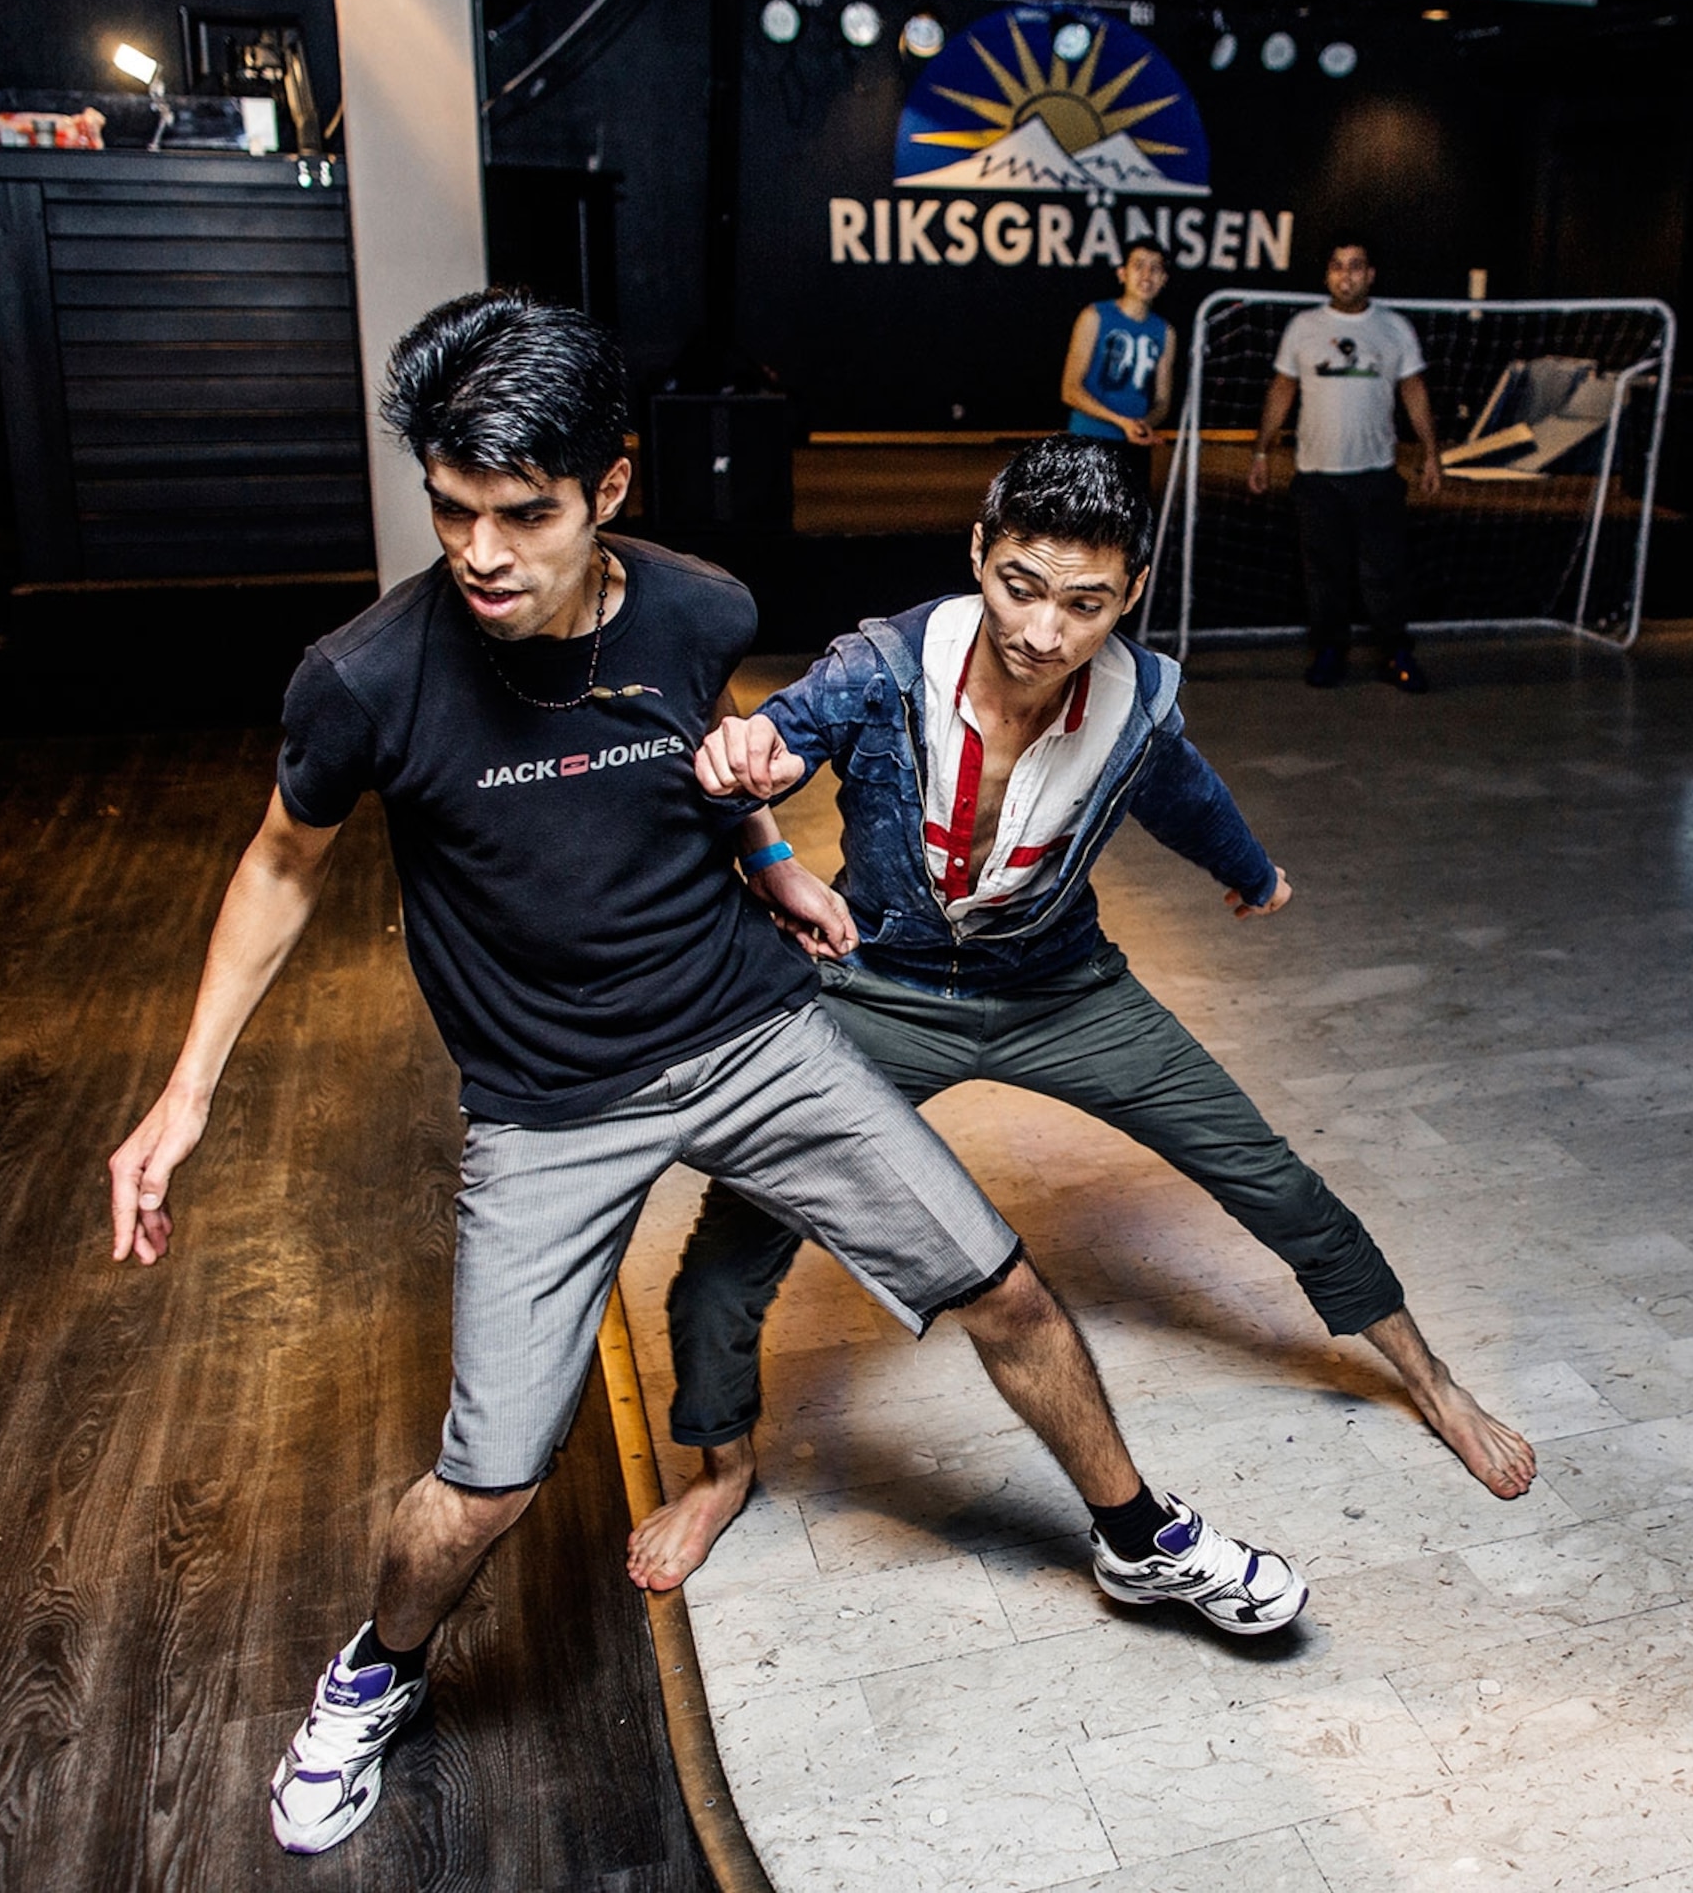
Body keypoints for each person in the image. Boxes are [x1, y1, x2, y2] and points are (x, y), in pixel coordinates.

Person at [104, 295, 1306, 1861]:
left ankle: (1139, 1539)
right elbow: (279, 865)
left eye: (524, 515)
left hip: (755, 1036)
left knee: (1005, 1292)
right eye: (452, 510)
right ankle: (373, 1675)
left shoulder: (697, 605)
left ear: (609, 489)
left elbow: (693, 742)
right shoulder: (366, 678)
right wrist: (188, 1089)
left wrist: (766, 863)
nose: (481, 553)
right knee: (486, 1484)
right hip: (547, 1105)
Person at [627, 436, 1536, 1591]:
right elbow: (773, 747)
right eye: (1019, 584)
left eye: (1086, 603)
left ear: (1132, 593)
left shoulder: (1135, 706)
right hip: (884, 987)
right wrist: (748, 766)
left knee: (1268, 1172)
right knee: (729, 1246)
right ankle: (716, 1465)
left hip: (1064, 989)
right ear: (978, 550)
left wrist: (1251, 873)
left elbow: (1189, 796)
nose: (1044, 632)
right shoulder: (879, 666)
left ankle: (1431, 1375)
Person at [1248, 237, 1443, 693]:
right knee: (1323, 575)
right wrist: (1261, 450)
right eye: (1337, 266)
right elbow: (1282, 391)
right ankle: (1330, 651)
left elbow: (1414, 393)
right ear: (1327, 275)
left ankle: (1395, 652)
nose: (1346, 274)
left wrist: (1432, 453)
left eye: (1356, 266)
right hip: (1316, 477)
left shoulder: (1394, 328)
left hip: (1375, 474)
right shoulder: (1304, 327)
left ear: (1370, 275)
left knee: (1385, 574)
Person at [1062, 238, 1176, 508]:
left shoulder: (1165, 332)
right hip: (1087, 441)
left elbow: (1162, 401)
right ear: (1122, 273)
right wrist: (1121, 422)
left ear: (1164, 279)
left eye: (1155, 268)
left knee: (1126, 535)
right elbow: (1069, 389)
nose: (1147, 275)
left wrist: (1143, 424)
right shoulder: (1095, 316)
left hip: (1133, 448)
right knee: (1082, 531)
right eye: (1139, 266)